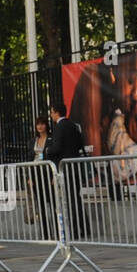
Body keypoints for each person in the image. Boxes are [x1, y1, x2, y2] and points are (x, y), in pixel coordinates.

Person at [47, 102, 88, 238]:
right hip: (74, 167)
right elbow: (80, 144)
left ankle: (76, 231)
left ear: (56, 112)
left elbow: (57, 148)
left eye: (51, 112)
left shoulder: (59, 127)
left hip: (65, 169)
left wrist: (48, 150)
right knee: (76, 198)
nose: (51, 115)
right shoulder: (73, 125)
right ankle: (84, 228)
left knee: (69, 200)